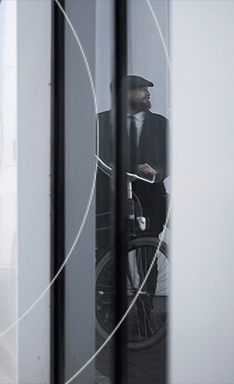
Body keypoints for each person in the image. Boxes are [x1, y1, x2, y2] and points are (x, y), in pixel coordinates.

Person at [95, 75, 168, 314]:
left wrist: (156, 170)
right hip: (110, 201)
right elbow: (98, 159)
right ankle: (107, 311)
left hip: (149, 201)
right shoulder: (99, 122)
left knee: (148, 258)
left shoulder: (160, 124)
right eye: (142, 90)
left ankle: (145, 314)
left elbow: (170, 159)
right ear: (125, 94)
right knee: (107, 254)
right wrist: (132, 169)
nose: (148, 94)